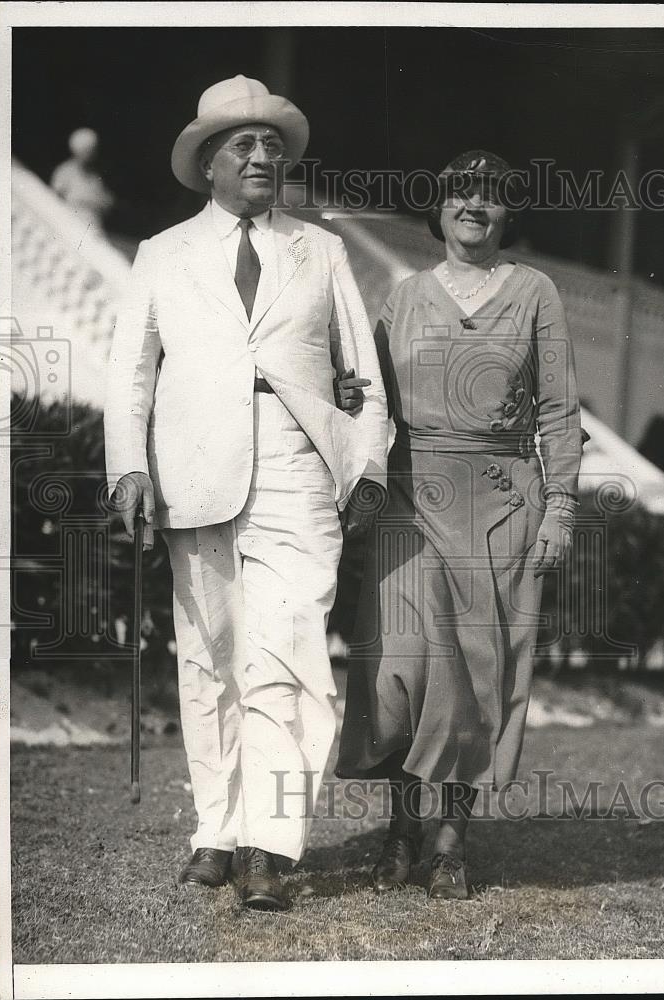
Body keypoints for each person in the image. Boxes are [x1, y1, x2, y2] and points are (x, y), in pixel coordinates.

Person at [104, 75, 387, 911]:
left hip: (298, 466)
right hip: (192, 471)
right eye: (243, 144)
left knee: (288, 648)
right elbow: (129, 378)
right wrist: (128, 468)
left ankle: (270, 843)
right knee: (209, 656)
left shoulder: (319, 250)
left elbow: (363, 375)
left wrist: (367, 466)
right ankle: (215, 833)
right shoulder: (162, 253)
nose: (262, 155)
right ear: (207, 163)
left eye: (272, 144)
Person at [336, 150, 585, 900]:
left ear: (509, 212)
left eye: (491, 195)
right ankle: (400, 828)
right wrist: (343, 394)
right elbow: (367, 398)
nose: (474, 205)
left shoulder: (535, 292)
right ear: (439, 207)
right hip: (410, 501)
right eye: (460, 193)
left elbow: (559, 411)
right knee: (400, 671)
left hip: (502, 505)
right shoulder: (405, 296)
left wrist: (560, 508)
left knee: (474, 675)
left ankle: (449, 842)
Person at [51, 127, 114, 229]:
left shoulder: (95, 177)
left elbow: (105, 203)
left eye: (93, 150)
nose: (91, 154)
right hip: (70, 225)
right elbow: (54, 201)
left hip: (93, 227)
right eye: (87, 150)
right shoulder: (65, 172)